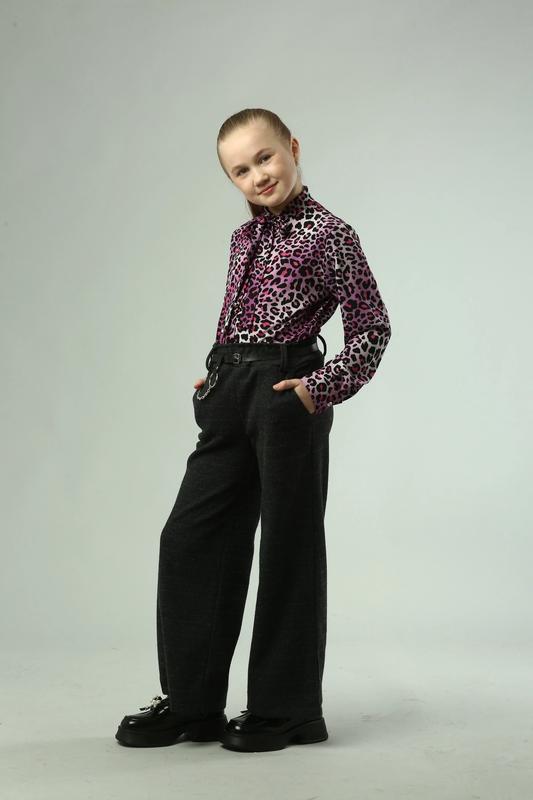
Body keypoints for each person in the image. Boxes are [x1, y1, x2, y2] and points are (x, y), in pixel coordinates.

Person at [115, 108, 392, 753]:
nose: (258, 175)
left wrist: (319, 388)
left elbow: (373, 327)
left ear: (292, 147)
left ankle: (287, 710)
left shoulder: (331, 234)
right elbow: (238, 314)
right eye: (241, 170)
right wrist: (215, 373)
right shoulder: (243, 238)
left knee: (289, 546)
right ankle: (192, 703)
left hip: (286, 392)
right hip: (230, 390)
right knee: (190, 537)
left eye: (265, 157)